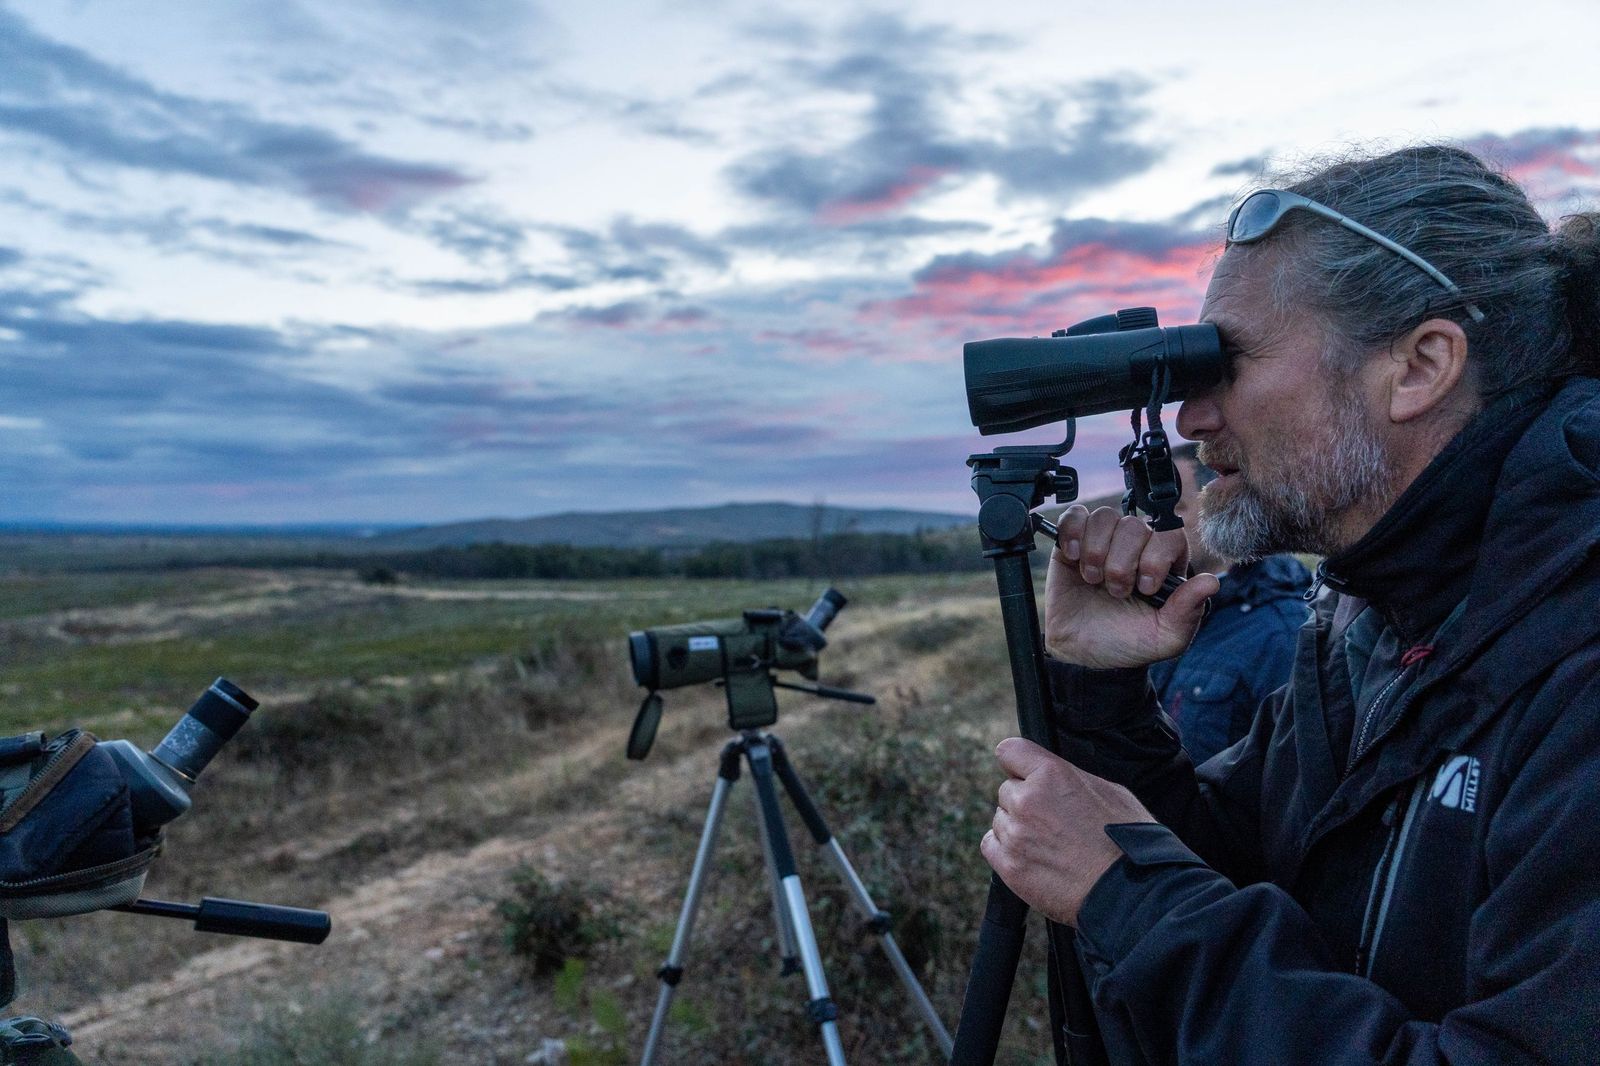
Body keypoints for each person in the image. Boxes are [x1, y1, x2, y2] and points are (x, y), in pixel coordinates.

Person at [980, 145, 1600, 1064]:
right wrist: (1102, 695)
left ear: (1421, 366)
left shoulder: (1575, 657)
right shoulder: (1370, 614)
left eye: (1224, 363)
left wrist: (1130, 902)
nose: (1190, 419)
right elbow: (1236, 860)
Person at [1147, 442, 1309, 764]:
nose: (1156, 523)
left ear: (1219, 500)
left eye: (1175, 506)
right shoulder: (1164, 610)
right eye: (1152, 508)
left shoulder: (1285, 634)